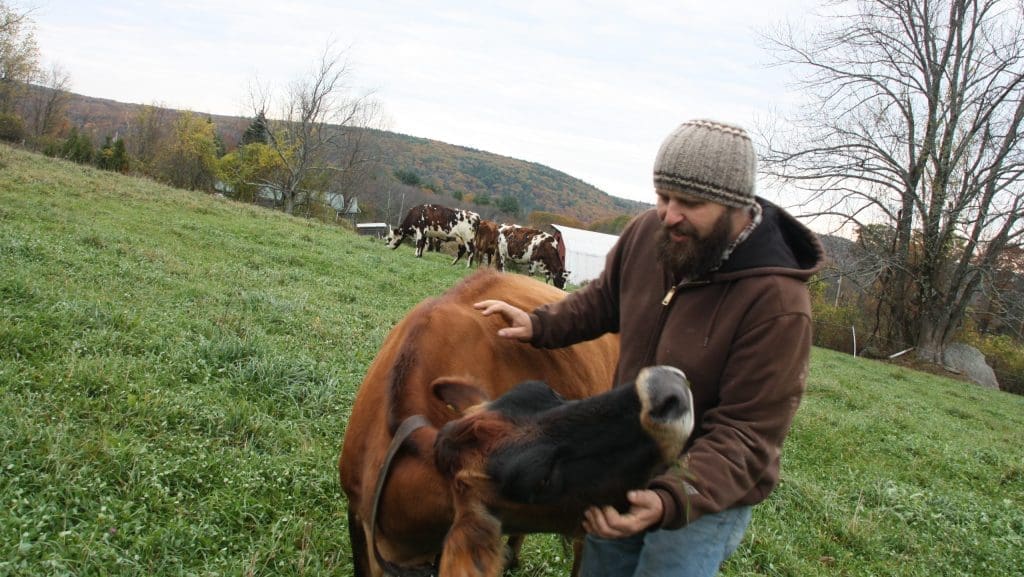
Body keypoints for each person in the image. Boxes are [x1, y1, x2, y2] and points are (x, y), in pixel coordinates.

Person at [475, 119, 825, 577]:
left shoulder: (778, 303)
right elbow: (604, 299)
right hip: (625, 454)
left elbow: (746, 434)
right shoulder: (649, 235)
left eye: (690, 203)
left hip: (703, 491)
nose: (669, 214)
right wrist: (539, 323)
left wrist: (669, 499)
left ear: (736, 206)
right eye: (662, 196)